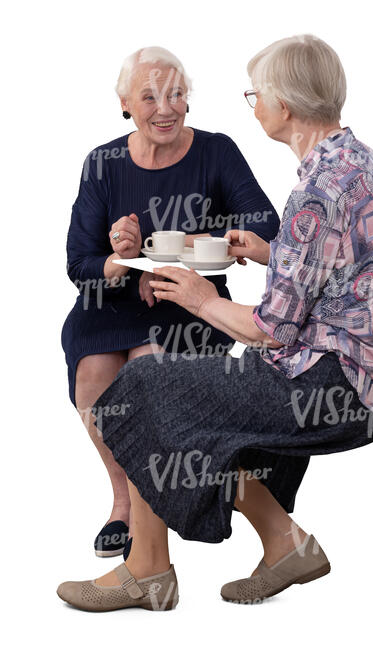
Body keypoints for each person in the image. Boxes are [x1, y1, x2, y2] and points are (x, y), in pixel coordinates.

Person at [57, 34, 373, 611]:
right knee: (178, 398)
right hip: (366, 379)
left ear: (286, 105)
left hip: (328, 382)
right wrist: (272, 252)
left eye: (257, 94)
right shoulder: (361, 164)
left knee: (149, 386)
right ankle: (283, 543)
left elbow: (272, 330)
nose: (254, 105)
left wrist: (197, 296)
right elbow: (341, 269)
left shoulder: (318, 189)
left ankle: (146, 570)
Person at [61, 46, 279, 558]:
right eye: (150, 96)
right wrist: (121, 258)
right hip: (112, 304)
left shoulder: (217, 151)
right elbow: (78, 265)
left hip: (189, 304)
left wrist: (184, 247)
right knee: (92, 371)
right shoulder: (104, 162)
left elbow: (266, 223)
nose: (166, 108)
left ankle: (149, 524)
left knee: (146, 368)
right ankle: (122, 502)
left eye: (177, 94)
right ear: (124, 104)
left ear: (189, 100)